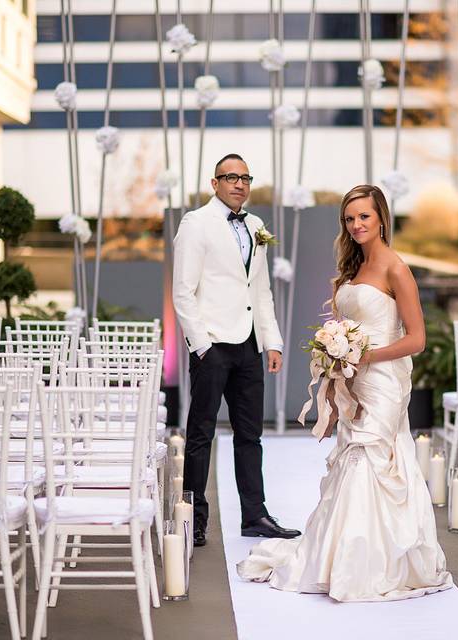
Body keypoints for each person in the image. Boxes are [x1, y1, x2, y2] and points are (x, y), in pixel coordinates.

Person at [236, 184, 453, 601]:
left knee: (372, 457)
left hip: (385, 380)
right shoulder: (351, 270)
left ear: (381, 218)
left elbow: (418, 339)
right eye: (350, 219)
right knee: (351, 458)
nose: (356, 225)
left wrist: (365, 356)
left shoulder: (396, 268)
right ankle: (342, 559)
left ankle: (370, 566)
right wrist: (336, 370)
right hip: (353, 379)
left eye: (364, 217)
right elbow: (344, 328)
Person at [172, 153, 301, 547]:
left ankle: (255, 515)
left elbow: (259, 291)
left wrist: (272, 341)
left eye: (245, 177)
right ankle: (192, 518)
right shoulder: (196, 224)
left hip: (248, 345)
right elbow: (183, 291)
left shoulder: (257, 226)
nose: (239, 184)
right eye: (231, 177)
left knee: (251, 435)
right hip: (213, 347)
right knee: (201, 435)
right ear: (215, 183)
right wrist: (202, 346)